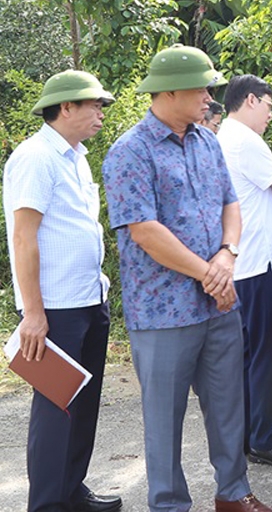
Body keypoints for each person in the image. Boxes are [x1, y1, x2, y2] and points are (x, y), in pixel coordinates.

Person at [103, 45, 272, 512]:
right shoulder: (129, 152)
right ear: (169, 90)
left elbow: (230, 204)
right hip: (163, 310)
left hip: (217, 302)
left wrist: (228, 254)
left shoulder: (206, 141)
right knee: (165, 417)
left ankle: (234, 493)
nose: (209, 96)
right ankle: (169, 503)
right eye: (201, 87)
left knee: (227, 407)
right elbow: (145, 232)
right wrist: (209, 272)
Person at [3, 70, 122, 512]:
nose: (100, 113)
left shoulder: (76, 155)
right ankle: (48, 504)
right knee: (57, 410)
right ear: (65, 107)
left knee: (83, 404)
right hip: (53, 309)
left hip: (88, 298)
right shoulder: (36, 157)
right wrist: (33, 313)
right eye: (93, 105)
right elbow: (23, 237)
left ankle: (72, 492)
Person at [217, 74, 272, 468]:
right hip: (261, 263)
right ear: (250, 100)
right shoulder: (245, 140)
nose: (271, 114)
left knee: (249, 355)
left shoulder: (225, 137)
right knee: (269, 354)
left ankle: (247, 437)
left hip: (246, 264)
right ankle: (266, 438)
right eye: (269, 106)